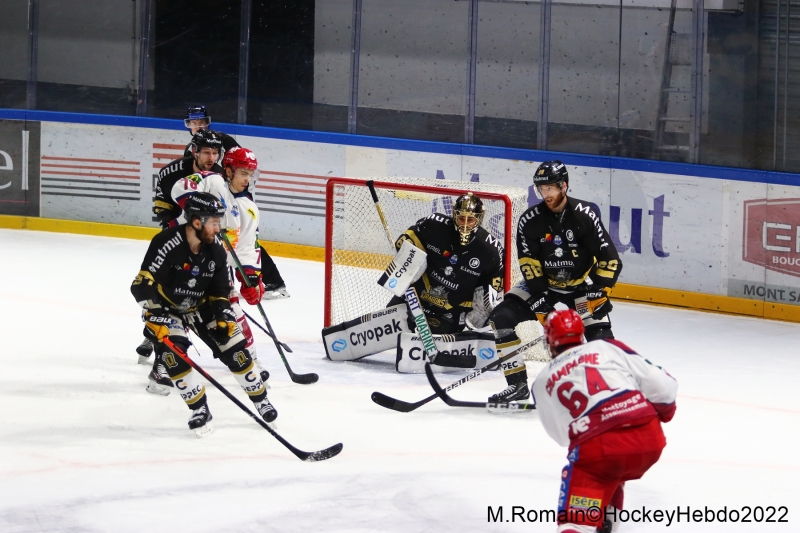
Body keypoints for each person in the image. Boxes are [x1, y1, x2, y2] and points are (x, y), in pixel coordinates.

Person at [131, 192, 277, 437]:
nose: (218, 228)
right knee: (173, 355)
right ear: (197, 222)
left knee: (235, 348)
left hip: (202, 305)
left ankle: (261, 401)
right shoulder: (166, 242)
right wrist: (153, 313)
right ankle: (199, 409)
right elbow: (143, 283)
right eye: (214, 222)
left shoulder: (216, 250)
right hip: (168, 308)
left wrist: (224, 316)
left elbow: (220, 290)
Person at [486, 160, 623, 403]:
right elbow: (529, 264)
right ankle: (517, 384)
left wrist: (600, 291)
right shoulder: (530, 220)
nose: (545, 194)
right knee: (501, 317)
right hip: (543, 285)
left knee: (601, 337)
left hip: (580, 286)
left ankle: (607, 389)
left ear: (564, 186)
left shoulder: (585, 215)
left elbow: (609, 258)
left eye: (550, 188)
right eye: (542, 189)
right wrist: (540, 298)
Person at [531, 309, 677, 533]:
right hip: (648, 438)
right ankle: (606, 521)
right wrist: (664, 412)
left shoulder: (542, 381)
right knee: (613, 473)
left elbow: (561, 437)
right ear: (581, 333)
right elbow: (663, 386)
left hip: (599, 450)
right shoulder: (607, 347)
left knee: (575, 522)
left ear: (549, 341)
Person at [322, 192, 504, 369]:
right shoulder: (434, 225)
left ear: (479, 219)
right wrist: (408, 255)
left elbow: (495, 281)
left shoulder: (490, 250)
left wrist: (484, 305)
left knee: (435, 338)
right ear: (454, 215)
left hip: (451, 311)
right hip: (415, 297)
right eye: (461, 218)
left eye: (470, 220)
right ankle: (346, 342)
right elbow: (408, 238)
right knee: (391, 325)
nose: (464, 224)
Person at [168, 147, 273, 385]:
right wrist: (202, 208)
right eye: (243, 173)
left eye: (250, 174)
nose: (247, 179)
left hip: (217, 269)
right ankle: (165, 363)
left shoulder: (249, 208)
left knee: (233, 311)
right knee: (177, 312)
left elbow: (247, 247)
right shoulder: (213, 182)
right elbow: (180, 188)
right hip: (185, 262)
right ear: (229, 170)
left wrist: (250, 275)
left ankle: (251, 362)